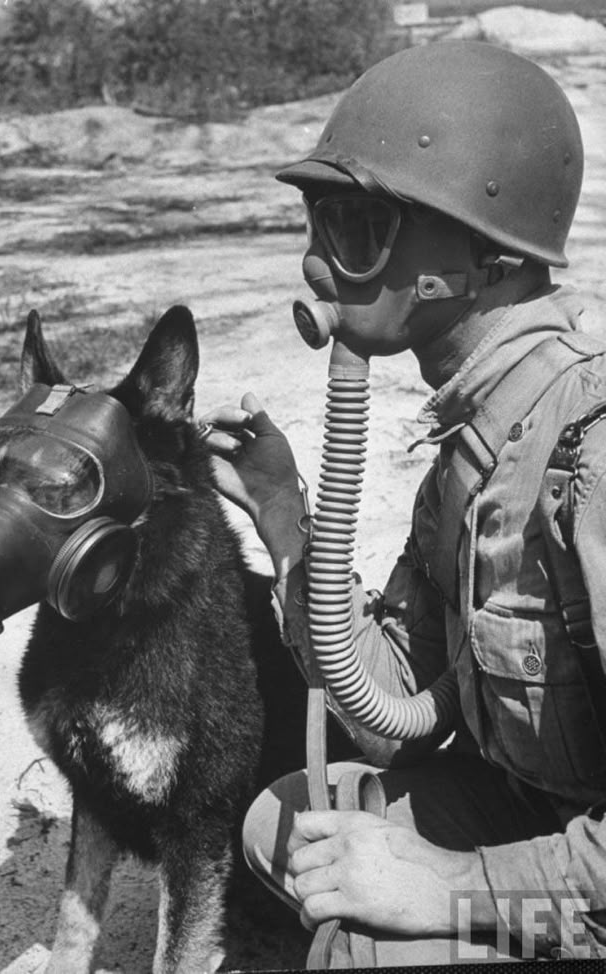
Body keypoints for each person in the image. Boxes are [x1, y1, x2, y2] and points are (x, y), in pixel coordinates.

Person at [199, 40, 606, 965]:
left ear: (482, 254)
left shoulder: (590, 450)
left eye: (354, 227)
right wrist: (287, 521)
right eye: (317, 225)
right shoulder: (479, 442)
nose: (316, 266)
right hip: (537, 812)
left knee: (378, 943)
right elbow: (383, 707)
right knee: (296, 822)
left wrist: (446, 890)